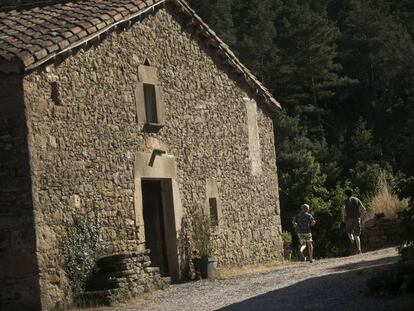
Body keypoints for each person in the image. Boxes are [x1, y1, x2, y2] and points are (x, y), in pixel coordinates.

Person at [342, 189, 366, 254]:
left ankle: (352, 241)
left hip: (349, 219)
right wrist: (361, 217)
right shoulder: (357, 199)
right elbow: (364, 209)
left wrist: (343, 217)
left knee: (349, 232)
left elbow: (343, 208)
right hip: (357, 218)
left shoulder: (345, 201)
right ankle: (359, 249)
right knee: (357, 235)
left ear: (346, 194)